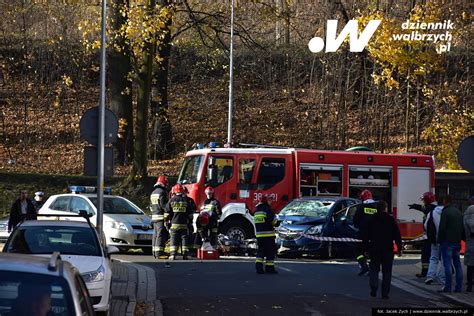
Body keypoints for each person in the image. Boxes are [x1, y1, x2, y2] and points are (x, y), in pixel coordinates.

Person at [362, 200, 402, 299]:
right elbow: (397, 235)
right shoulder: (391, 220)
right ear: (385, 208)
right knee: (387, 272)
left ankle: (374, 287)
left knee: (374, 269)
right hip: (388, 249)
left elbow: (366, 235)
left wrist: (366, 248)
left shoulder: (371, 219)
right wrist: (399, 248)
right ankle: (385, 293)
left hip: (374, 248)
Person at [437, 195, 463, 293]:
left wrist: (439, 240)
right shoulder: (458, 212)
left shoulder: (445, 212)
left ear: (445, 201)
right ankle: (458, 287)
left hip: (447, 242)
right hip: (457, 241)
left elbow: (442, 228)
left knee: (447, 264)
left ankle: (448, 287)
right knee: (458, 264)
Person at [409, 192, 437, 278]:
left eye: (424, 200)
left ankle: (425, 272)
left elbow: (423, 208)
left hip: (430, 236)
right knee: (435, 255)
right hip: (430, 235)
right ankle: (449, 268)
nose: (423, 202)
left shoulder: (430, 208)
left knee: (426, 254)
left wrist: (415, 206)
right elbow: (423, 208)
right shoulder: (433, 207)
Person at [165, 184, 194, 260]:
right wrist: (190, 222)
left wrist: (166, 222)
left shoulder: (171, 200)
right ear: (182, 190)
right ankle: (185, 254)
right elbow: (190, 214)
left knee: (174, 238)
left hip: (174, 224)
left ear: (174, 191)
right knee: (184, 238)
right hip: (184, 224)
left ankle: (173, 254)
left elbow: (167, 213)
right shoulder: (186, 200)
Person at [353, 189, 378, 276]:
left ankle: (364, 266)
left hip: (363, 234)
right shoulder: (377, 207)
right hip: (375, 234)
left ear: (362, 198)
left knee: (357, 250)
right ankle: (371, 270)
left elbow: (355, 221)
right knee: (371, 252)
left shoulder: (361, 207)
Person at [254, 194, 278, 274]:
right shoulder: (268, 209)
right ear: (265, 201)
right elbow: (274, 222)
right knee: (270, 252)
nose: (271, 201)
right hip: (268, 235)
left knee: (261, 251)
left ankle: (258, 267)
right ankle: (270, 268)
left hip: (259, 236)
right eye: (269, 200)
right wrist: (278, 222)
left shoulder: (257, 210)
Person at [424, 203, 445, 285]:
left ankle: (430, 276)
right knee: (444, 259)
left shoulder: (432, 212)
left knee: (433, 258)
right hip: (444, 240)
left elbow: (426, 225)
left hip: (434, 240)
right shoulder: (447, 212)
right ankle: (441, 276)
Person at [150, 176, 170, 258]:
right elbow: (163, 205)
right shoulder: (162, 192)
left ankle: (154, 252)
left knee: (155, 235)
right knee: (160, 234)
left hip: (154, 216)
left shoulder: (153, 192)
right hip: (160, 217)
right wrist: (169, 208)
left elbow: (151, 206)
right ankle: (159, 253)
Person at [463, 196, 474, 292]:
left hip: (470, 242)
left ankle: (469, 285)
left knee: (470, 265)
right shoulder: (471, 210)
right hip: (471, 241)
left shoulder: (467, 212)